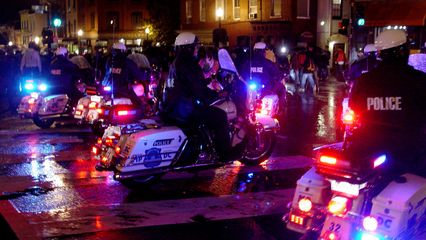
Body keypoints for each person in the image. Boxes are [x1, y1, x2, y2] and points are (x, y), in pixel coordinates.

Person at [347, 29, 426, 177]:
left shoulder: (363, 81)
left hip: (367, 147)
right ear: (403, 52)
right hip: (409, 151)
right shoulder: (419, 81)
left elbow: (354, 108)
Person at [162, 32, 230, 162]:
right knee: (220, 116)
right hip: (184, 110)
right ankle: (225, 154)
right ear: (188, 48)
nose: (197, 50)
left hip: (172, 108)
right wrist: (218, 94)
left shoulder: (176, 63)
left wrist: (206, 83)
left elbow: (189, 85)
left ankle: (207, 145)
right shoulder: (189, 64)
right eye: (195, 47)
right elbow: (200, 92)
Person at [241, 42, 286, 112]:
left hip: (249, 88)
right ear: (263, 52)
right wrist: (280, 77)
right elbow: (278, 75)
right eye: (265, 51)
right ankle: (281, 109)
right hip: (267, 88)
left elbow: (242, 75)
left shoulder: (247, 63)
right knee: (282, 89)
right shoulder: (268, 63)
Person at [102, 42, 146, 107]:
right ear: (123, 51)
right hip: (123, 89)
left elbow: (105, 74)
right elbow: (138, 74)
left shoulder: (109, 61)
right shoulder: (127, 62)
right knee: (139, 104)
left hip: (108, 88)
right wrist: (145, 75)